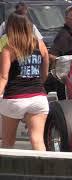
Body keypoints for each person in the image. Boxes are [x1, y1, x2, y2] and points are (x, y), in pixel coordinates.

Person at [0, 12, 49, 150]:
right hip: (38, 97)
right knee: (37, 140)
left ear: (10, 28)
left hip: (14, 98)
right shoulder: (40, 45)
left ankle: (7, 171)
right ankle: (42, 169)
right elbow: (44, 73)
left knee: (8, 142)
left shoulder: (9, 48)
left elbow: (3, 77)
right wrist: (38, 84)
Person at [48, 5, 72, 100]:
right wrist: (67, 65)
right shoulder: (64, 35)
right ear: (67, 19)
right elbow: (51, 56)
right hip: (66, 87)